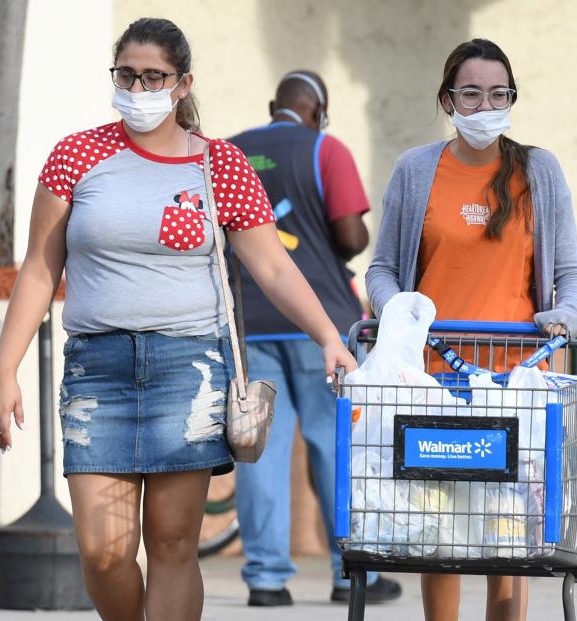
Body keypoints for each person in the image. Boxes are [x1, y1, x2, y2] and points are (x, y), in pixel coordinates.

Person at [0, 18, 357, 621]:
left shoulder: (222, 165)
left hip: (189, 370)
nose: (137, 87)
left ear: (183, 84)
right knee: (103, 553)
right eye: (126, 75)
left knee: (174, 543)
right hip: (97, 373)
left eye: (153, 76)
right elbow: (38, 270)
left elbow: (275, 270)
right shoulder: (76, 156)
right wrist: (5, 371)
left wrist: (329, 337)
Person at [365, 38, 577, 621]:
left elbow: (571, 274)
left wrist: (564, 317)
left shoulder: (537, 170)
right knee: (440, 534)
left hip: (515, 380)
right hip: (432, 381)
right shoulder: (417, 170)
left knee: (508, 540)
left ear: (512, 99)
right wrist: (400, 316)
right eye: (471, 93)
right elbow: (383, 267)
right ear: (448, 99)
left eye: (498, 93)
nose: (485, 104)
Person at [227, 71, 403, 607]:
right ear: (318, 112)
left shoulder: (231, 152)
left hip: (249, 321)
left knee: (259, 450)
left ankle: (265, 579)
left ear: (273, 105)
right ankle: (352, 574)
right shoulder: (326, 149)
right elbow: (351, 235)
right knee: (335, 447)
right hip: (319, 322)